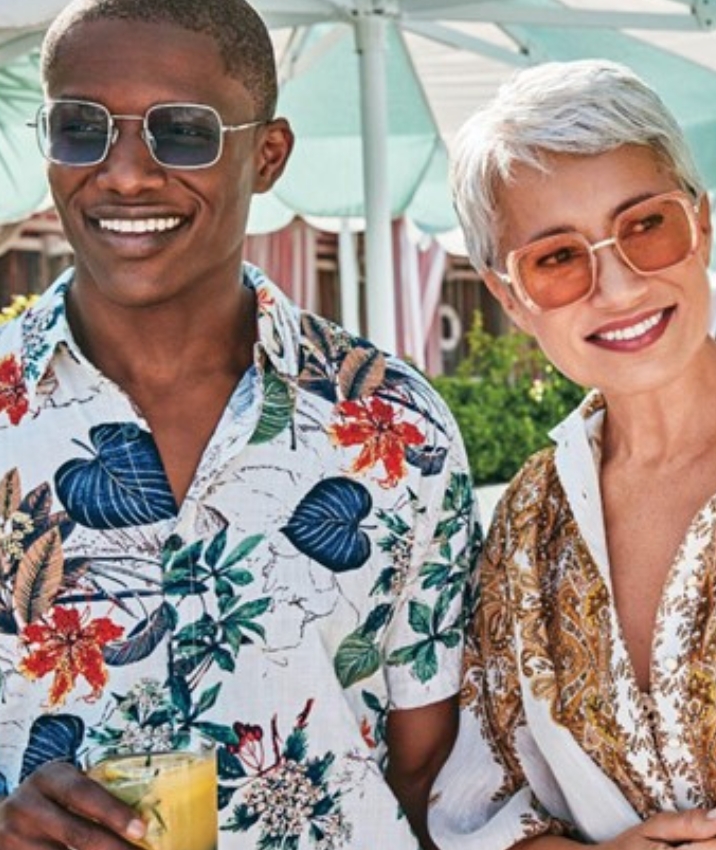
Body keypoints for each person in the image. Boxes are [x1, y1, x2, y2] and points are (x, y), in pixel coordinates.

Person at [0, 1, 481, 848]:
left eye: (181, 132)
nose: (122, 174)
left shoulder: (396, 427)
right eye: (80, 128)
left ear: (268, 155)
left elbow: (435, 778)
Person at [428, 58, 716, 850]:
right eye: (556, 258)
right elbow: (478, 809)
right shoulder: (527, 522)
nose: (617, 288)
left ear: (703, 224)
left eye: (646, 225)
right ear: (508, 298)